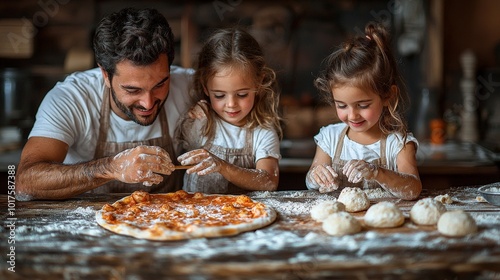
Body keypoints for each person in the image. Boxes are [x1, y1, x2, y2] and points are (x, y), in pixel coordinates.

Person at [16, 8, 195, 201]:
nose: (148, 102)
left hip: (169, 223)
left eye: (160, 84)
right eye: (133, 90)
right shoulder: (71, 98)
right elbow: (26, 182)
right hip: (88, 224)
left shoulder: (190, 87)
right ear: (105, 75)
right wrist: (111, 167)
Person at [305, 22, 422, 201]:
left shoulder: (398, 143)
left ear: (387, 96)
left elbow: (412, 189)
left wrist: (377, 173)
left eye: (363, 105)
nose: (352, 115)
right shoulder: (330, 138)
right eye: (342, 105)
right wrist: (316, 176)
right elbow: (310, 178)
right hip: (338, 224)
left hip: (382, 226)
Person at [176, 28, 282, 194]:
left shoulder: (262, 132)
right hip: (195, 217)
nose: (231, 104)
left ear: (259, 83)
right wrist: (193, 119)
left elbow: (268, 181)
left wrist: (221, 166)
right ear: (205, 87)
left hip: (245, 216)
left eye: (242, 94)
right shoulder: (200, 121)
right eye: (219, 95)